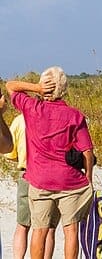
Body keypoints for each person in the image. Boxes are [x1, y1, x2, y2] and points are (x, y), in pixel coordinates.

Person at [7, 68, 94, 259]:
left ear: (45, 87)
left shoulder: (32, 108)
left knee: (39, 230)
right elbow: (87, 150)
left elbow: (10, 86)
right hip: (68, 181)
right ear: (64, 88)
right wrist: (89, 177)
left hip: (39, 179)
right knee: (71, 231)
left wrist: (36, 88)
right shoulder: (74, 115)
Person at [5, 110, 56, 259]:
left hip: (26, 173)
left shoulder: (20, 120)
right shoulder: (54, 118)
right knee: (48, 228)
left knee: (22, 224)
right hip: (50, 175)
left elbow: (10, 153)